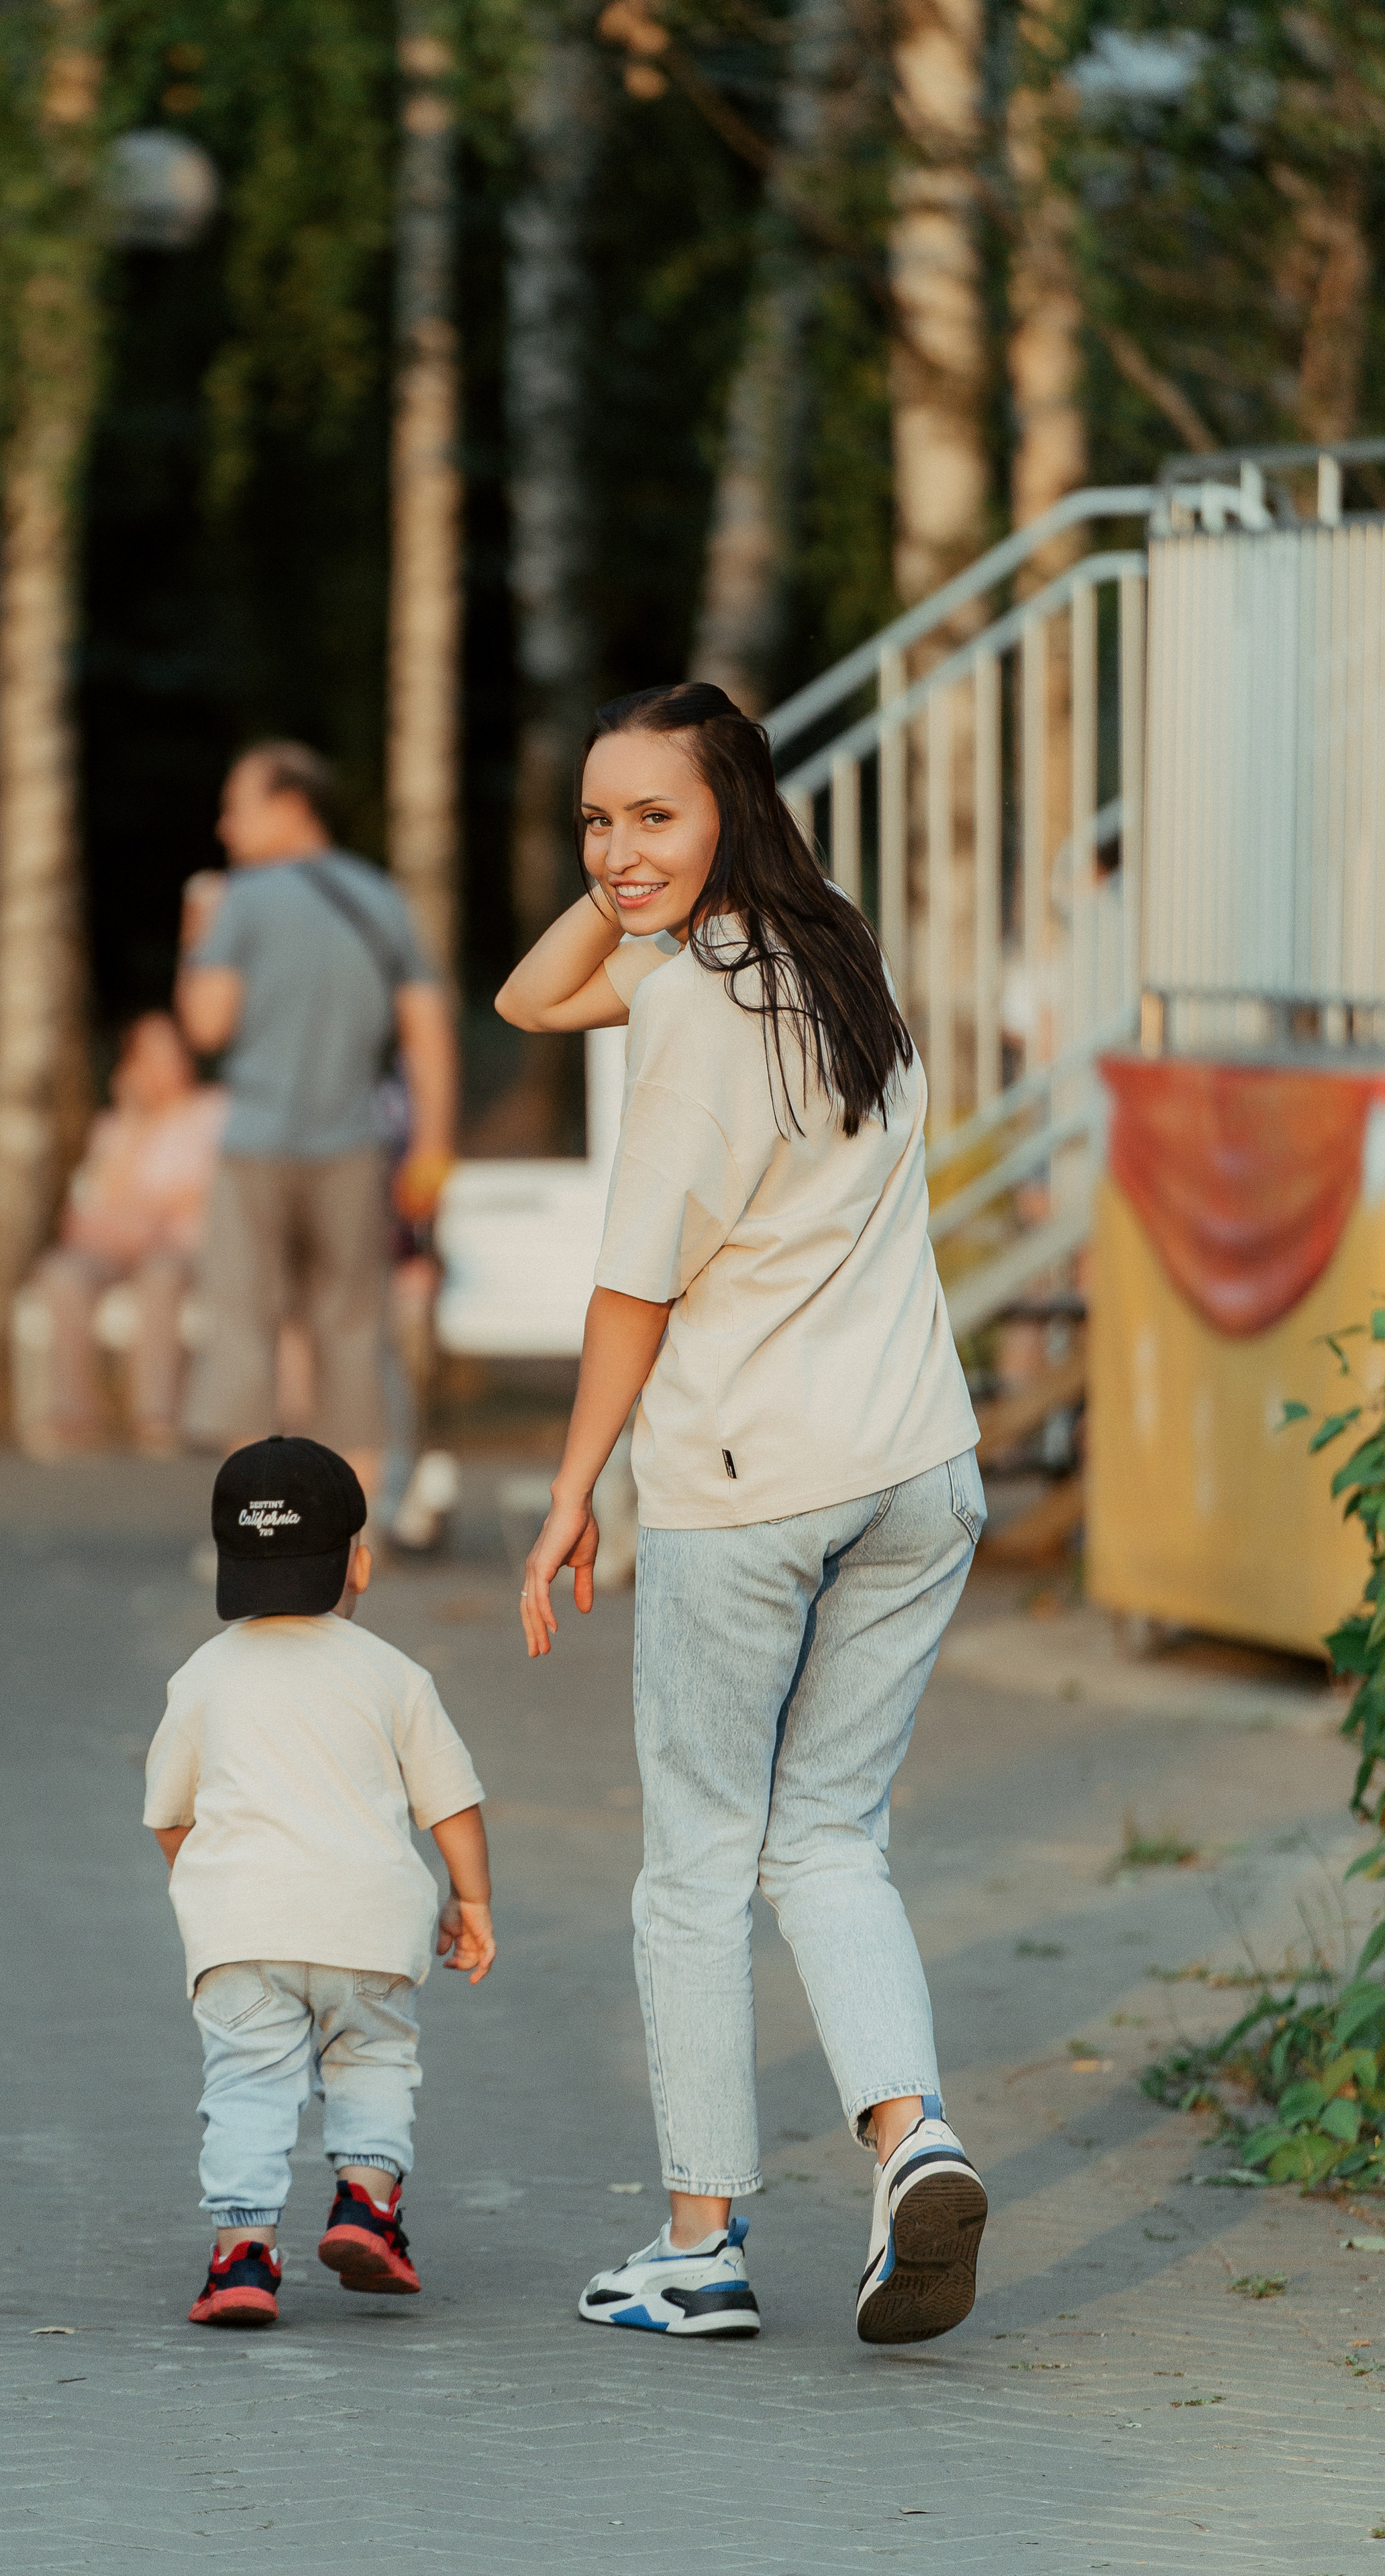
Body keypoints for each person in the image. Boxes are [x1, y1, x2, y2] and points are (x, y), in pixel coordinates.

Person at [495, 682, 988, 2347]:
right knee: (829, 1835)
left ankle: (699, 2245)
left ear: (737, 809)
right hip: (915, 1468)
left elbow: (632, 1287)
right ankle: (908, 2137)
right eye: (591, 819)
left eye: (654, 814)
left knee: (695, 1866)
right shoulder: (823, 951)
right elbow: (529, 989)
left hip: (746, 1491)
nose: (615, 851)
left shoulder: (697, 1016)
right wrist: (653, 871)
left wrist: (572, 1488)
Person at [142, 1434, 495, 2329]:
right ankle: (366, 2204)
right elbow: (449, 1802)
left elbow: (169, 1814)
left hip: (242, 1934)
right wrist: (473, 1902)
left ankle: (242, 2257)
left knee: (249, 2088)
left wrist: (215, 1887)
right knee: (375, 2058)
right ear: (361, 1566)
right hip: (370, 1928)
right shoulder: (393, 1676)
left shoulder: (202, 1677)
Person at [174, 742, 458, 1512]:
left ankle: (251, 1526)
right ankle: (354, 1530)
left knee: (242, 1329)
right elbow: (428, 1037)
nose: (226, 826)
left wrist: (197, 934)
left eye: (240, 805)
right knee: (353, 1335)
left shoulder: (241, 901)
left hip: (256, 1149)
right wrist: (430, 1149)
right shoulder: (381, 899)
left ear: (291, 804)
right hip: (354, 1148)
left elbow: (205, 1025)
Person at [17, 1013, 227, 1458]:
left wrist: (141, 1213)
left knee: (160, 1272)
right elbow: (82, 1216)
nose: (166, 1065)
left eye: (171, 1052)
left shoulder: (212, 1113)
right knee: (61, 1272)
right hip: (117, 1248)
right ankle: (72, 1411)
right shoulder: (114, 1130)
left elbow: (208, 1194)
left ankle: (157, 1415)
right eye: (151, 1055)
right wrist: (134, 1124)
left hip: (183, 1250)